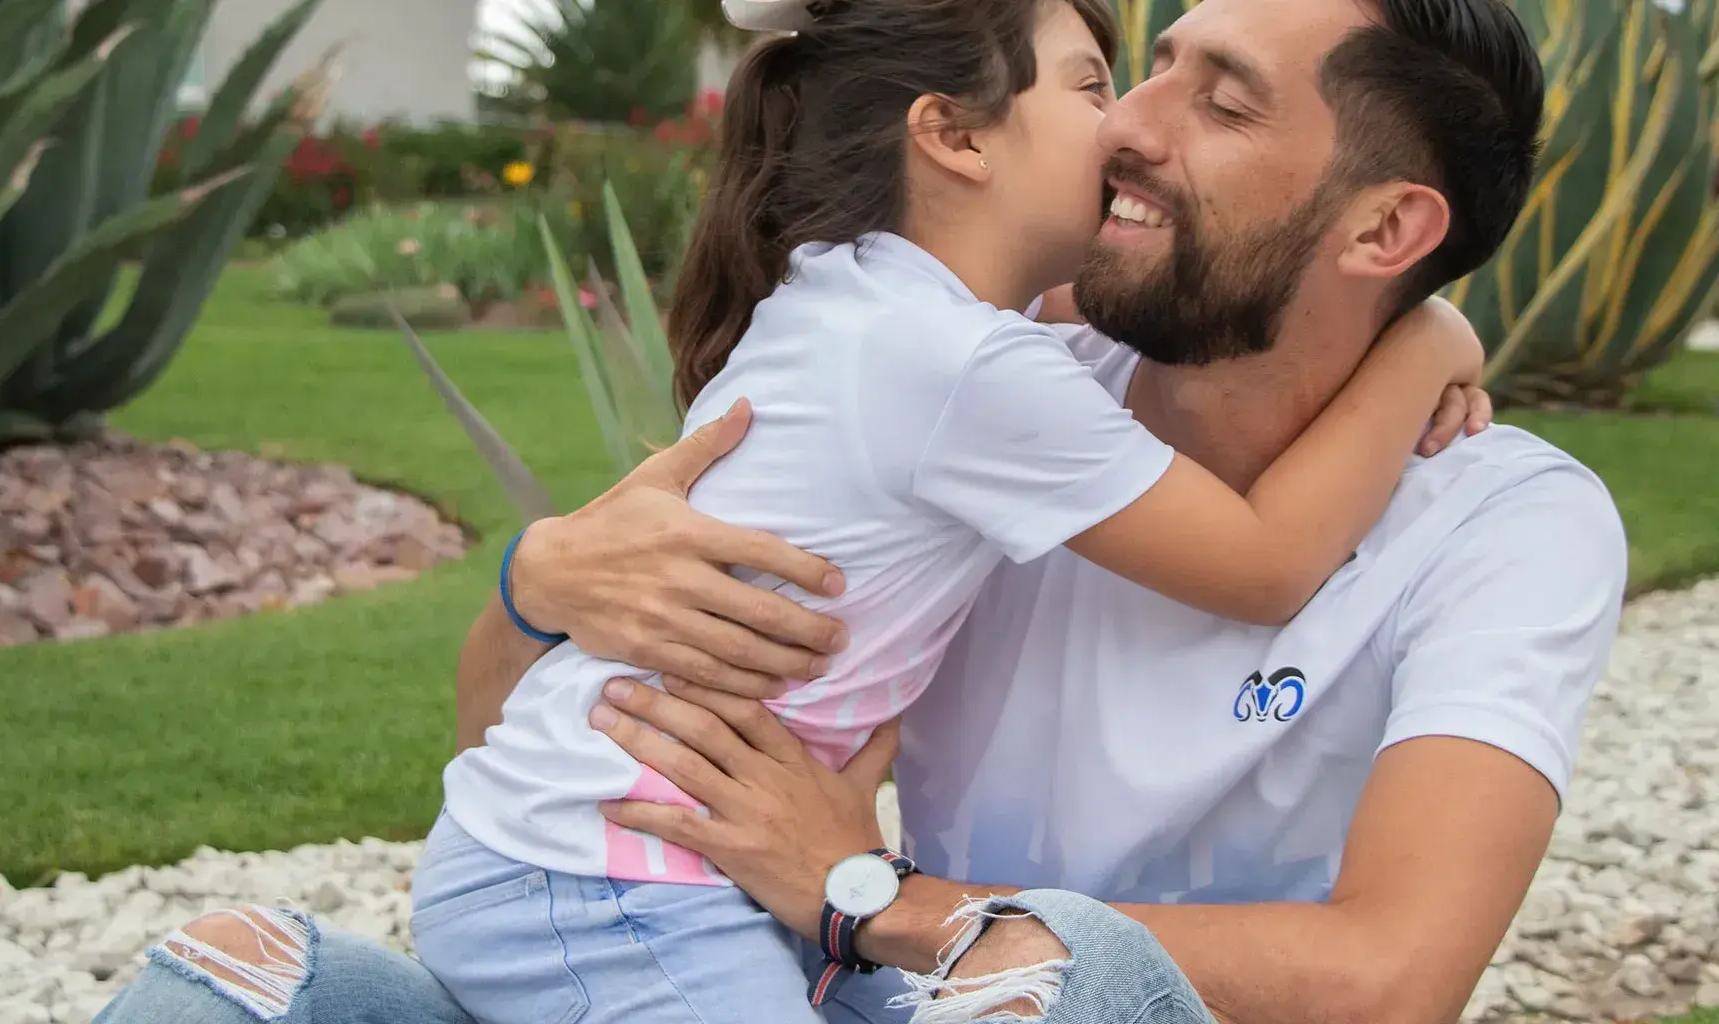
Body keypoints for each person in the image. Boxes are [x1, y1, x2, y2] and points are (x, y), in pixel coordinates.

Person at [91, 0, 1626, 1022]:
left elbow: (1392, 972)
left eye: (1212, 101)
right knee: (231, 994)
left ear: (1388, 226)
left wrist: (870, 894)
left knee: (1053, 996)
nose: (1135, 125)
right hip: (797, 957)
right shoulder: (1006, 395)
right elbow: (511, 718)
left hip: (980, 983)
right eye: (1132, 71)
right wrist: (546, 573)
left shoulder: (1505, 525)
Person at [416, 0, 1490, 1018]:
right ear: (956, 138)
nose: (1122, 125)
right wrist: (1425, 337)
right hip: (615, 884)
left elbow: (1091, 301)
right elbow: (1267, 564)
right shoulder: (966, 367)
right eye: (1090, 85)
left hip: (615, 859)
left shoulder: (870, 293)